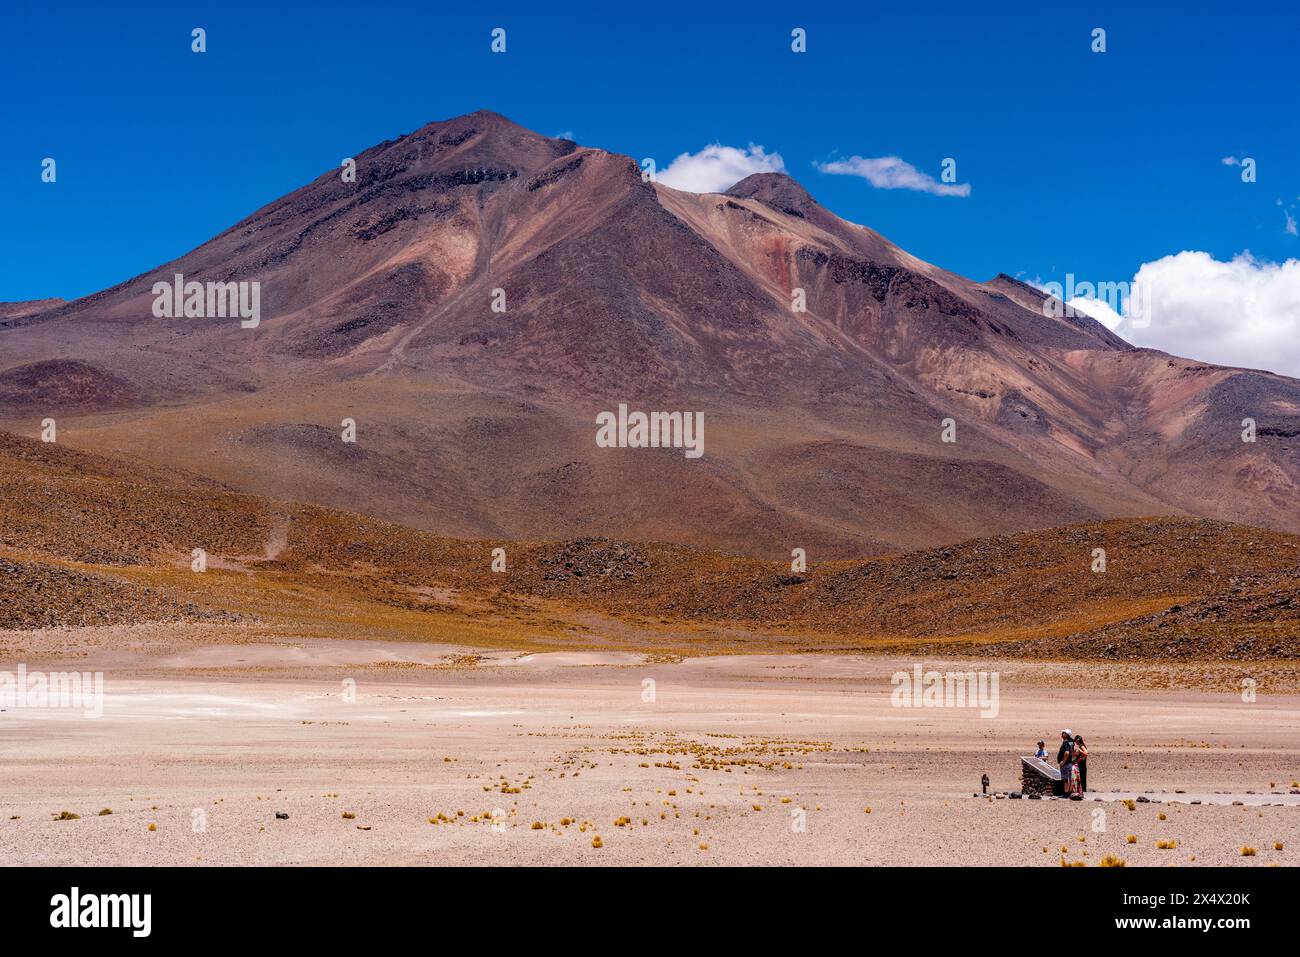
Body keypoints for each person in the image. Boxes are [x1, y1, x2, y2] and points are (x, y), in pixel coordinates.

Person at [1057, 729, 1076, 797]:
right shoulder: (1072, 741)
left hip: (1066, 763)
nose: (1062, 734)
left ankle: (1065, 793)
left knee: (1065, 779)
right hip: (1070, 762)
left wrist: (1063, 761)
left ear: (1066, 734)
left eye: (1063, 733)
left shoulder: (1066, 742)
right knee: (1070, 778)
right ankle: (1070, 793)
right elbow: (1073, 751)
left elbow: (1067, 752)